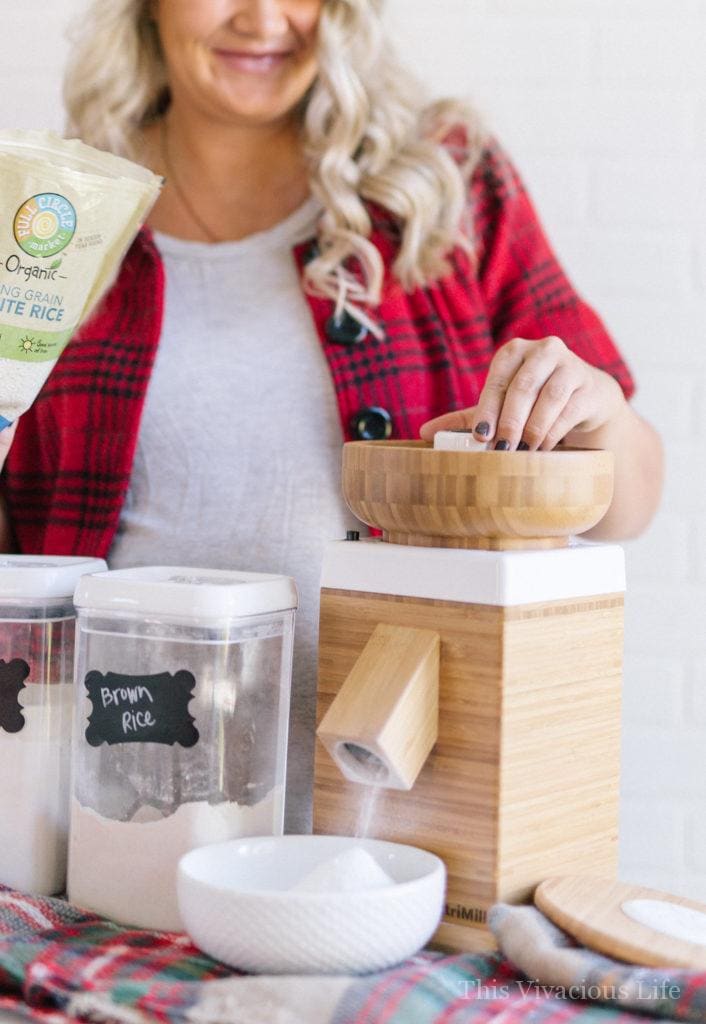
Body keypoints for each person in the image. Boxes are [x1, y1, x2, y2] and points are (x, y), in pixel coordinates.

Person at [0, 0, 662, 832]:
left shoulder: (445, 182)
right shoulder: (54, 222)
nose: (265, 17)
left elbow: (631, 499)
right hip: (102, 823)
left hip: (406, 834)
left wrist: (594, 419)